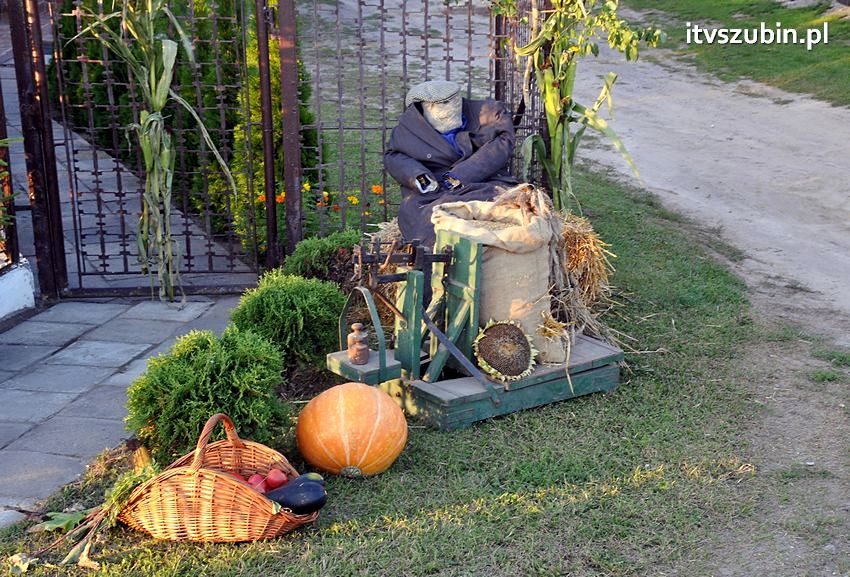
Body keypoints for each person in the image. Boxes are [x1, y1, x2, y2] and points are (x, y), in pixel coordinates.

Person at [384, 80, 519, 247]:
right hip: (435, 186)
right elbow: (394, 156)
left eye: (455, 100)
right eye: (443, 104)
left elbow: (502, 144)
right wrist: (419, 176)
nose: (452, 107)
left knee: (503, 203)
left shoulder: (489, 113)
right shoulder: (409, 127)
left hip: (482, 179)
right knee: (416, 215)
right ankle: (441, 252)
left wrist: (461, 175)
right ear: (426, 107)